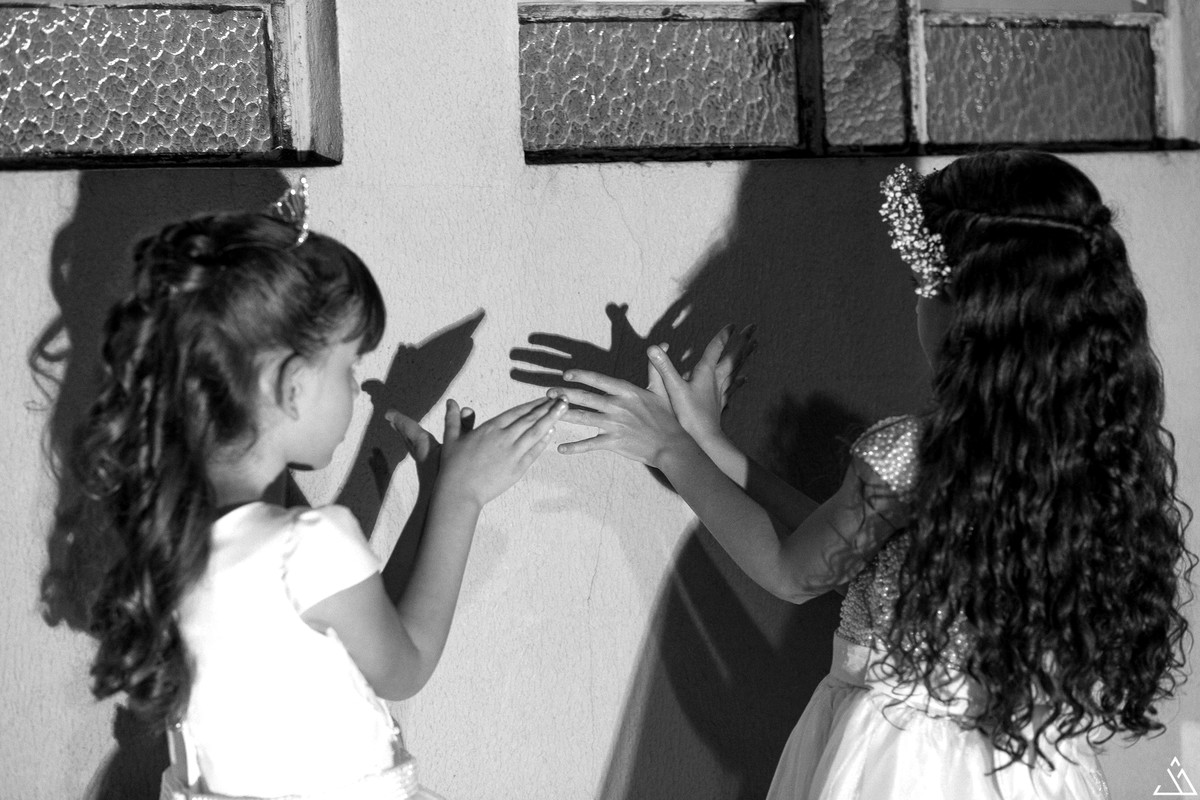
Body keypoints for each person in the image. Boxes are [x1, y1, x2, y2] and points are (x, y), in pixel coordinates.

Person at [549, 150, 1193, 798]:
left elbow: (794, 570)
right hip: (1028, 769)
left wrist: (671, 451)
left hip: (903, 765)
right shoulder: (1077, 456)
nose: (918, 306)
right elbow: (853, 550)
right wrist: (713, 445)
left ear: (972, 313)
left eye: (926, 288)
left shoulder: (919, 452)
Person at [76, 180, 567, 799]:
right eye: (349, 365)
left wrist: (431, 500)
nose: (354, 384)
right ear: (292, 385)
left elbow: (357, 627)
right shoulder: (307, 544)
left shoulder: (175, 542)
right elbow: (401, 664)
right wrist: (462, 498)